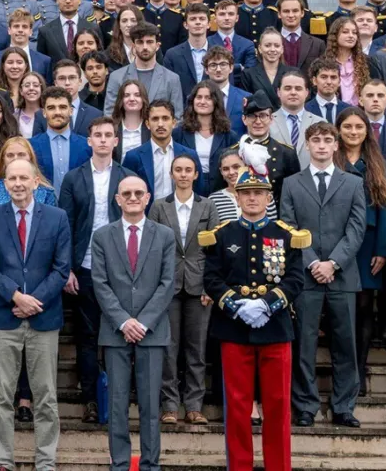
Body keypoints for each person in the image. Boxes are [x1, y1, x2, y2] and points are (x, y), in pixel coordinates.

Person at [201, 142, 308, 471]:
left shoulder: (286, 235)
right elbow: (212, 279)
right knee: (236, 406)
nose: (251, 198)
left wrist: (267, 304)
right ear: (236, 195)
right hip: (233, 328)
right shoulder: (220, 235)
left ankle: (278, 467)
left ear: (267, 197)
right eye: (245, 193)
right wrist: (237, 306)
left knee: (277, 406)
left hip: (275, 328)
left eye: (258, 193)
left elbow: (294, 279)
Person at [0, 157, 71, 469]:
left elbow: (61, 270)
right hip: (3, 316)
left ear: (35, 182)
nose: (17, 184)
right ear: (4, 184)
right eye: (11, 178)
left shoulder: (57, 218)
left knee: (45, 396)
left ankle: (46, 461)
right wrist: (16, 295)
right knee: (2, 396)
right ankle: (4, 460)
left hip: (44, 317)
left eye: (23, 178)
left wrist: (34, 300)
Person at [280, 122, 367, 427]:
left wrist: (334, 263)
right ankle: (305, 405)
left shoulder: (354, 183)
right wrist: (313, 262)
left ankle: (343, 406)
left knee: (345, 343)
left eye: (327, 140)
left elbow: (356, 230)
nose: (321, 145)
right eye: (315, 140)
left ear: (335, 145)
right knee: (304, 344)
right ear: (307, 145)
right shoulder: (291, 184)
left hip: (342, 276)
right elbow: (288, 227)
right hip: (306, 276)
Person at [91, 175, 176, 471]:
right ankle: (120, 464)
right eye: (126, 193)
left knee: (151, 406)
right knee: (117, 405)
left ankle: (151, 465)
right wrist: (124, 321)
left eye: (138, 192)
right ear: (117, 199)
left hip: (152, 333)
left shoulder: (164, 235)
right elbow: (100, 284)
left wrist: (144, 322)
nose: (132, 197)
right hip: (115, 333)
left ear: (148, 197)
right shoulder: (102, 236)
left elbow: (168, 283)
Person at [59, 116, 129, 423]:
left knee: (118, 333)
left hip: (120, 269)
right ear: (89, 141)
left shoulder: (128, 178)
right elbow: (65, 225)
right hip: (84, 267)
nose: (102, 139)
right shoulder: (74, 178)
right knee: (87, 337)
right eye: (97, 135)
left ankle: (116, 399)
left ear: (116, 141)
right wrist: (67, 269)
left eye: (108, 135)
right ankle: (90, 399)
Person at [147, 154, 220, 424]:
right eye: (178, 170)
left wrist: (210, 286)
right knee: (168, 348)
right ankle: (169, 405)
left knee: (196, 349)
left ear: (196, 174)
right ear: (171, 174)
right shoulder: (158, 207)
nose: (183, 175)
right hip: (168, 286)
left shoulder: (208, 206)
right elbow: (152, 250)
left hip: (199, 286)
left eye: (188, 170)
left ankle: (193, 406)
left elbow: (215, 251)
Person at [333, 108, 386, 395]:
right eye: (347, 126)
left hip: (368, 244)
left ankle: (359, 369)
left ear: (367, 130)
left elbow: (384, 207)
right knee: (341, 309)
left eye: (359, 126)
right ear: (339, 129)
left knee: (365, 307)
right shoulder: (332, 158)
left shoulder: (376, 162)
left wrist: (382, 249)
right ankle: (342, 372)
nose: (353, 132)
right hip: (337, 241)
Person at [121, 100, 199, 206]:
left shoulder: (190, 155)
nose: (160, 124)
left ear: (174, 123)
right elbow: (125, 191)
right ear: (147, 124)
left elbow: (199, 191)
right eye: (155, 119)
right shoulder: (133, 157)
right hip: (147, 217)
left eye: (165, 118)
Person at [103, 23, 184, 118]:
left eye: (149, 42)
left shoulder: (172, 78)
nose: (145, 47)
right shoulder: (117, 77)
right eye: (140, 42)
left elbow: (177, 117)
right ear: (133, 46)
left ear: (157, 45)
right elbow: (110, 114)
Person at [172, 81, 239, 196]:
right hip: (189, 189)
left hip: (220, 190)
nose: (202, 102)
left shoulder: (229, 135)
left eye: (208, 98)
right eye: (199, 97)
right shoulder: (179, 133)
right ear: (193, 101)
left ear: (216, 102)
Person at [29, 87, 92, 194]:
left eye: (62, 107)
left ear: (71, 111)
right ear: (44, 113)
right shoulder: (31, 145)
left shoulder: (86, 145)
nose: (57, 112)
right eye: (51, 108)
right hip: (43, 207)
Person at [162, 3, 214, 99]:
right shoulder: (172, 55)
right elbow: (167, 89)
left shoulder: (218, 54)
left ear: (209, 24)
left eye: (202, 19)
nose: (198, 22)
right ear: (185, 25)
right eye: (193, 19)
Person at [325, 17, 375, 106]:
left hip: (360, 112)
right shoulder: (325, 62)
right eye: (345, 32)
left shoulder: (367, 61)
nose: (351, 36)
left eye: (354, 33)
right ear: (335, 35)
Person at [239, 29, 287, 109]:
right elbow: (246, 104)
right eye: (267, 45)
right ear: (260, 49)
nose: (272, 49)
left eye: (277, 46)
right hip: (259, 119)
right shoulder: (248, 74)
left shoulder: (292, 73)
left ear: (282, 49)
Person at [110, 78, 148, 161]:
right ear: (121, 100)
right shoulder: (111, 128)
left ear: (143, 99)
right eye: (126, 95)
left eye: (137, 95)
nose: (131, 99)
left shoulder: (151, 128)